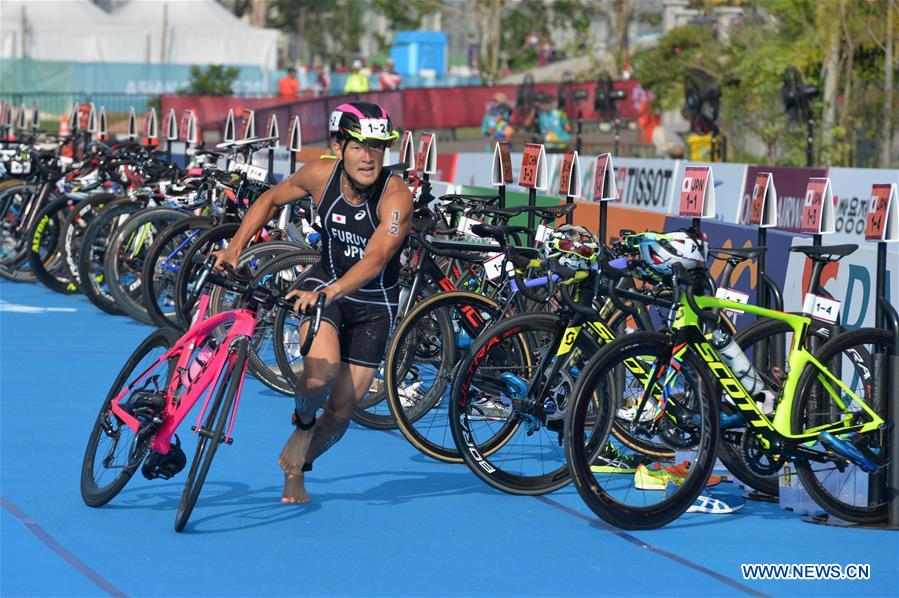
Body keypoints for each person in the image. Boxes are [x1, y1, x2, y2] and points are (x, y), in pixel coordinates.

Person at [213, 102, 411, 504]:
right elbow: (270, 199)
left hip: (374, 306)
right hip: (324, 288)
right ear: (339, 147)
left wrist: (332, 291)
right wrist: (235, 248)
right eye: (358, 146)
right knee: (319, 376)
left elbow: (375, 260)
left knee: (340, 415)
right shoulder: (319, 175)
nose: (368, 156)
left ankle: (297, 464)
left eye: (377, 146)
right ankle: (303, 424)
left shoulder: (397, 197)